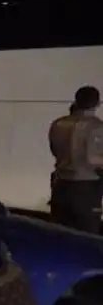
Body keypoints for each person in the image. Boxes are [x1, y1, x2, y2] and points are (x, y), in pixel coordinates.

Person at [49, 86, 103, 233]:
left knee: (59, 234)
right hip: (86, 188)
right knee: (86, 239)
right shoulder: (97, 127)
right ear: (97, 103)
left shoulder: (58, 124)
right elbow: (93, 159)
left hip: (60, 186)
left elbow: (54, 150)